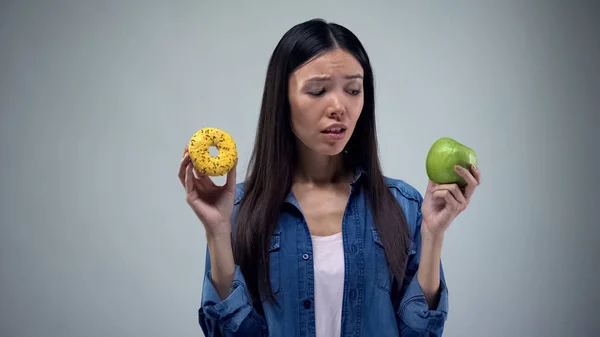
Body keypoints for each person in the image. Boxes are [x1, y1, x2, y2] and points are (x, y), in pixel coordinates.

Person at [178, 18, 481, 337]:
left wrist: (433, 235)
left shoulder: (403, 205)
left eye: (353, 89)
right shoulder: (238, 208)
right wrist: (217, 231)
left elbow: (420, 333)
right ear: (282, 99)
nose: (339, 106)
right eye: (318, 90)